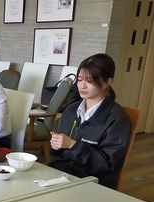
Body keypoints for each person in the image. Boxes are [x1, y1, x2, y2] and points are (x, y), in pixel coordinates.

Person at [48, 53, 131, 189]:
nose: (82, 86)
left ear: (107, 83)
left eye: (90, 81)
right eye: (80, 80)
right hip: (60, 175)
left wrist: (72, 146)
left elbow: (107, 164)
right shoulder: (71, 109)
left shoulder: (117, 119)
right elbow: (55, 152)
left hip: (90, 183)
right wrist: (55, 144)